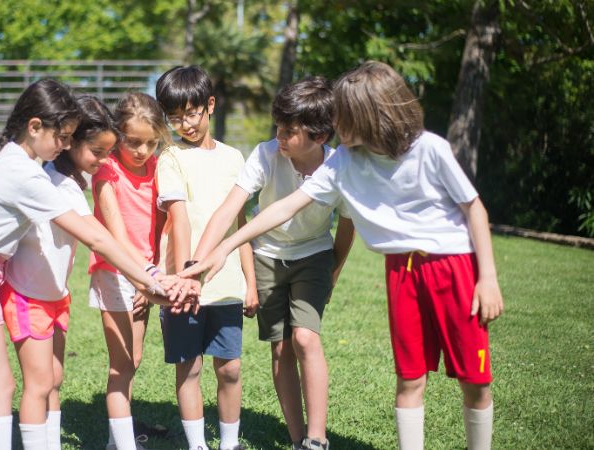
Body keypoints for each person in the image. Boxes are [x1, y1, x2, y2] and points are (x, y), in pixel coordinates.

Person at [182, 61, 504, 450]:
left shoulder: (427, 149)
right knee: (410, 377)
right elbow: (283, 208)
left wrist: (487, 278)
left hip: (455, 268)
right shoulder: (344, 161)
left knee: (475, 377)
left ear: (369, 117)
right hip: (400, 268)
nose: (335, 123)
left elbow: (474, 208)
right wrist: (226, 247)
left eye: (342, 116)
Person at [0, 80, 183, 450]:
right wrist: (153, 282)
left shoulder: (27, 165)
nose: (64, 144)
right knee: (1, 383)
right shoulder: (38, 178)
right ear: (35, 127)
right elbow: (99, 239)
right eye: (63, 137)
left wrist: (148, 282)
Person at [191, 77, 354, 450]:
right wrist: (199, 260)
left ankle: (317, 438)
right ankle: (298, 439)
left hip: (314, 254)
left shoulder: (336, 167)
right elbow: (230, 209)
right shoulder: (266, 154)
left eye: (289, 130)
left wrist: (334, 270)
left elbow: (347, 226)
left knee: (306, 337)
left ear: (320, 135)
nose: (279, 135)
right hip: (266, 257)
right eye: (277, 126)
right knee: (281, 347)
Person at [0, 94, 121, 449]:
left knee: (53, 378)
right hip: (28, 294)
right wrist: (146, 275)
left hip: (54, 295)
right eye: (97, 151)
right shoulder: (54, 182)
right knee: (38, 384)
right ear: (71, 143)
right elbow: (98, 238)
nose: (103, 160)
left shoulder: (68, 181)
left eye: (107, 152)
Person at [155, 65, 257, 450]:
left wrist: (250, 281)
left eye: (191, 113)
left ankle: (229, 444)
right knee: (190, 366)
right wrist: (185, 279)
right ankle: (197, 444)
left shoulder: (234, 158)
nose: (185, 124)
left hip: (228, 282)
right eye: (174, 117)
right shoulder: (171, 157)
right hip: (185, 285)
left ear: (209, 106)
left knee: (229, 368)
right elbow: (178, 219)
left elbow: (241, 225)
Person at [87, 92, 172, 450]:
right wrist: (142, 276)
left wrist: (151, 275)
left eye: (151, 143)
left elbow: (163, 223)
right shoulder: (107, 169)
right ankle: (120, 444)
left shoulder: (158, 167)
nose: (143, 151)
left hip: (145, 273)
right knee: (121, 363)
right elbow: (116, 232)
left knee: (133, 359)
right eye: (134, 142)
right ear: (117, 134)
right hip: (114, 271)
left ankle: (119, 434)